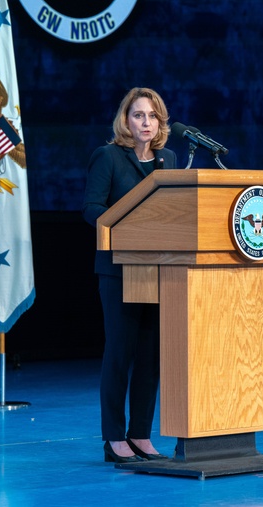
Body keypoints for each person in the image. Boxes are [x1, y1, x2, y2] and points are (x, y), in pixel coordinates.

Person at [82, 87, 177, 463]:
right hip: (119, 269)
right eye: (139, 115)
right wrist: (127, 227)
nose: (146, 123)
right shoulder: (108, 157)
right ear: (126, 120)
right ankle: (114, 438)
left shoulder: (168, 160)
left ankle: (140, 434)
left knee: (150, 357)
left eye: (152, 116)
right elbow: (92, 209)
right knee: (119, 354)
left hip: (159, 269)